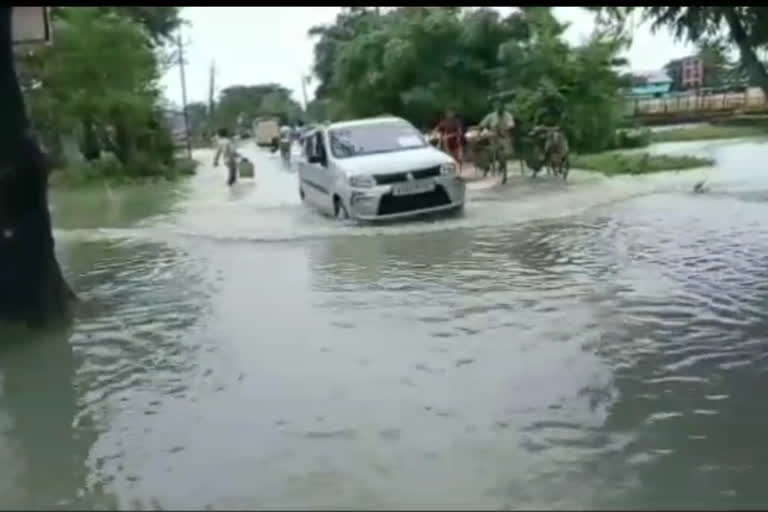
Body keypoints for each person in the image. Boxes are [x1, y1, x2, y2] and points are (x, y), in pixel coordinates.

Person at [479, 101, 516, 184]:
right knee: (490, 150)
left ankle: (502, 165)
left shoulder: (507, 115)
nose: (499, 109)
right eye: (497, 107)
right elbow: (482, 124)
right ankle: (488, 165)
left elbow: (511, 125)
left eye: (501, 107)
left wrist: (506, 129)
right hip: (493, 137)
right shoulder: (491, 116)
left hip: (504, 136)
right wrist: (483, 129)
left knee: (507, 152)